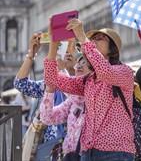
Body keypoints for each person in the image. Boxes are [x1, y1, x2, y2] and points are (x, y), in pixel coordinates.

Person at [43, 18, 135, 161]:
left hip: (116, 151)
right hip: (88, 151)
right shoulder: (88, 80)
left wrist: (82, 37)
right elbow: (52, 80)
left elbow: (105, 72)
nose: (93, 41)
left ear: (112, 49)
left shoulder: (124, 72)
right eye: (92, 39)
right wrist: (53, 46)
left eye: (99, 38)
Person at [13, 32, 72, 142]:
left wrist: (61, 71)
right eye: (62, 50)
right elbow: (20, 84)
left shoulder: (87, 81)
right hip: (51, 148)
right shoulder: (49, 83)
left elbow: (73, 91)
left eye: (69, 51)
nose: (65, 55)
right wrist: (31, 54)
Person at [40, 55, 91, 160]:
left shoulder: (94, 93)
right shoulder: (71, 102)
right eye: (77, 64)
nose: (78, 67)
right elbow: (47, 117)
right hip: (70, 156)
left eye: (84, 63)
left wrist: (61, 70)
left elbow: (78, 96)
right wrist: (50, 90)